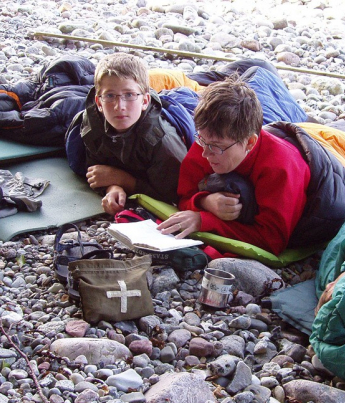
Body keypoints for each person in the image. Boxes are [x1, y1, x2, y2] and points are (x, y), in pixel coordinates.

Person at [157, 76, 311, 255]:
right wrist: (205, 202)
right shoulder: (208, 140)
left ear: (250, 143)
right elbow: (183, 196)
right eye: (201, 140)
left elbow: (272, 241)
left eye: (217, 147)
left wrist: (205, 221)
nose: (205, 153)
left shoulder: (281, 167)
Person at [79, 53, 187, 215]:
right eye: (109, 96)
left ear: (144, 101)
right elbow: (96, 169)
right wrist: (112, 187)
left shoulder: (163, 141)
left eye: (129, 95)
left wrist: (125, 181)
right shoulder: (93, 125)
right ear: (99, 103)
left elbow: (177, 196)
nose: (119, 106)